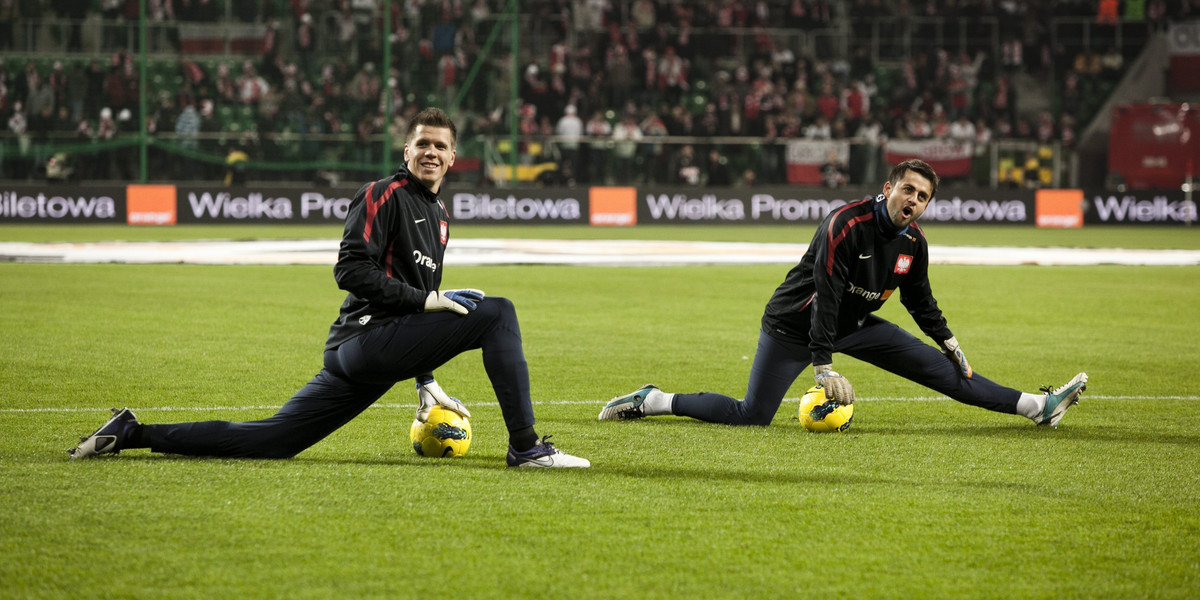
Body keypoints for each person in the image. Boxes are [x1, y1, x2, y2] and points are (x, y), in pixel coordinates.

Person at [70, 107, 589, 468]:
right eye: (423, 144)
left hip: (371, 352)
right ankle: (526, 447)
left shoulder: (441, 216)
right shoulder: (382, 194)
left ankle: (132, 433)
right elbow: (352, 271)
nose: (431, 152)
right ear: (406, 149)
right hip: (364, 342)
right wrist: (425, 303)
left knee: (271, 440)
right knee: (496, 312)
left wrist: (425, 378)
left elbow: (417, 297)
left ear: (454, 158)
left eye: (441, 146)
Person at [600, 159, 1087, 428]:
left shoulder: (913, 243)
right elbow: (827, 295)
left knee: (945, 372)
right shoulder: (844, 225)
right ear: (888, 188)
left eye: (922, 197)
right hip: (794, 325)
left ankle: (1036, 407)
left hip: (855, 327)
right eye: (908, 190)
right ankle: (655, 400)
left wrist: (951, 343)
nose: (913, 201)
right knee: (752, 416)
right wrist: (823, 365)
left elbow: (920, 300)